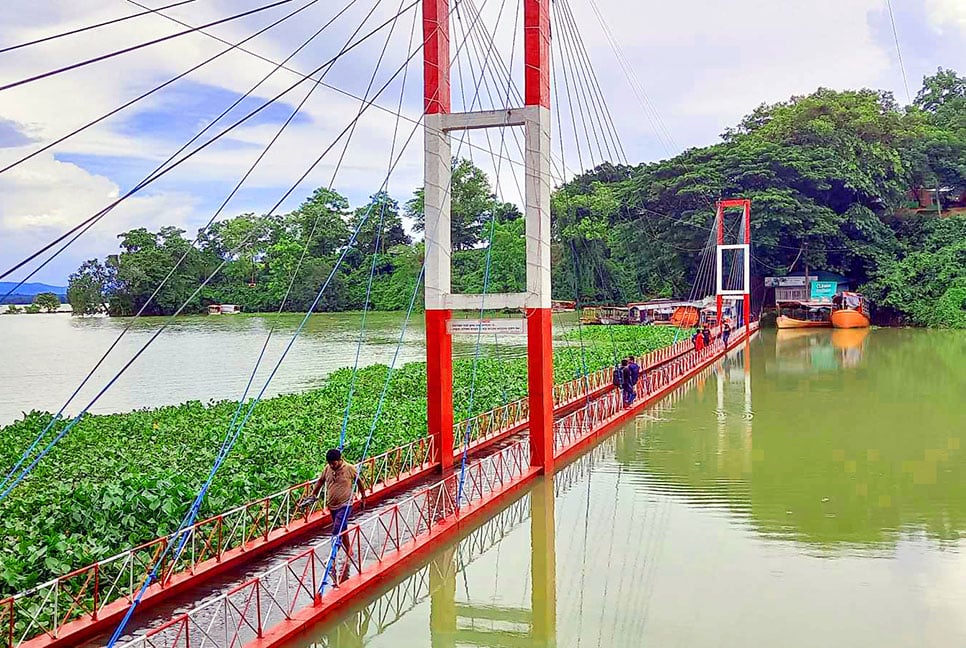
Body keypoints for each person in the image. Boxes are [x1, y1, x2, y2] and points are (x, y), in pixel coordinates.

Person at [302, 448, 369, 578]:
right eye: (330, 463)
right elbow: (321, 481)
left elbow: (359, 482)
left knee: (336, 530)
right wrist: (313, 494)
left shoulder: (349, 468)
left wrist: (363, 497)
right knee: (342, 528)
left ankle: (332, 558)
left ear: (340, 460)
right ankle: (349, 551)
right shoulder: (328, 469)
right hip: (332, 506)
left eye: (334, 463)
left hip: (345, 504)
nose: (332, 465)